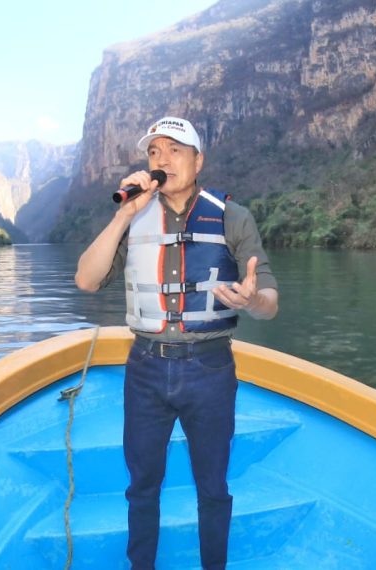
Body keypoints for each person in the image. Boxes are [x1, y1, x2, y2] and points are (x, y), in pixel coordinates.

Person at [75, 116, 278, 569]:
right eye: (153, 152)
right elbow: (86, 280)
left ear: (197, 159)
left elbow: (270, 302)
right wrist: (124, 213)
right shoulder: (133, 215)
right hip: (145, 367)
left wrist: (252, 300)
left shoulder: (232, 216)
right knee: (142, 486)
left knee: (213, 488)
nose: (161, 160)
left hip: (209, 369)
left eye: (174, 150)